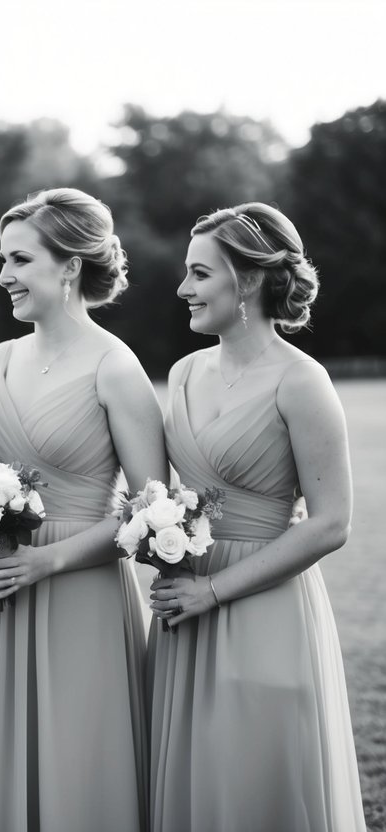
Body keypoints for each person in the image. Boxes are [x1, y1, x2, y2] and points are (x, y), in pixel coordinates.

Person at [148, 203, 365, 831]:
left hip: (260, 602)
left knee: (251, 782)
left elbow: (331, 523)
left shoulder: (301, 381)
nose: (183, 289)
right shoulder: (185, 372)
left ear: (245, 281)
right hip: (180, 604)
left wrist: (212, 591)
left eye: (199, 273)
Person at [0, 188, 164, 831]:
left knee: (79, 763)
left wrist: (47, 560)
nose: (4, 276)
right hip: (0, 586)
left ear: (71, 265)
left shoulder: (115, 367)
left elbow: (153, 509)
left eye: (20, 260)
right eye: (4, 260)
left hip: (78, 589)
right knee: (5, 761)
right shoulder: (1, 358)